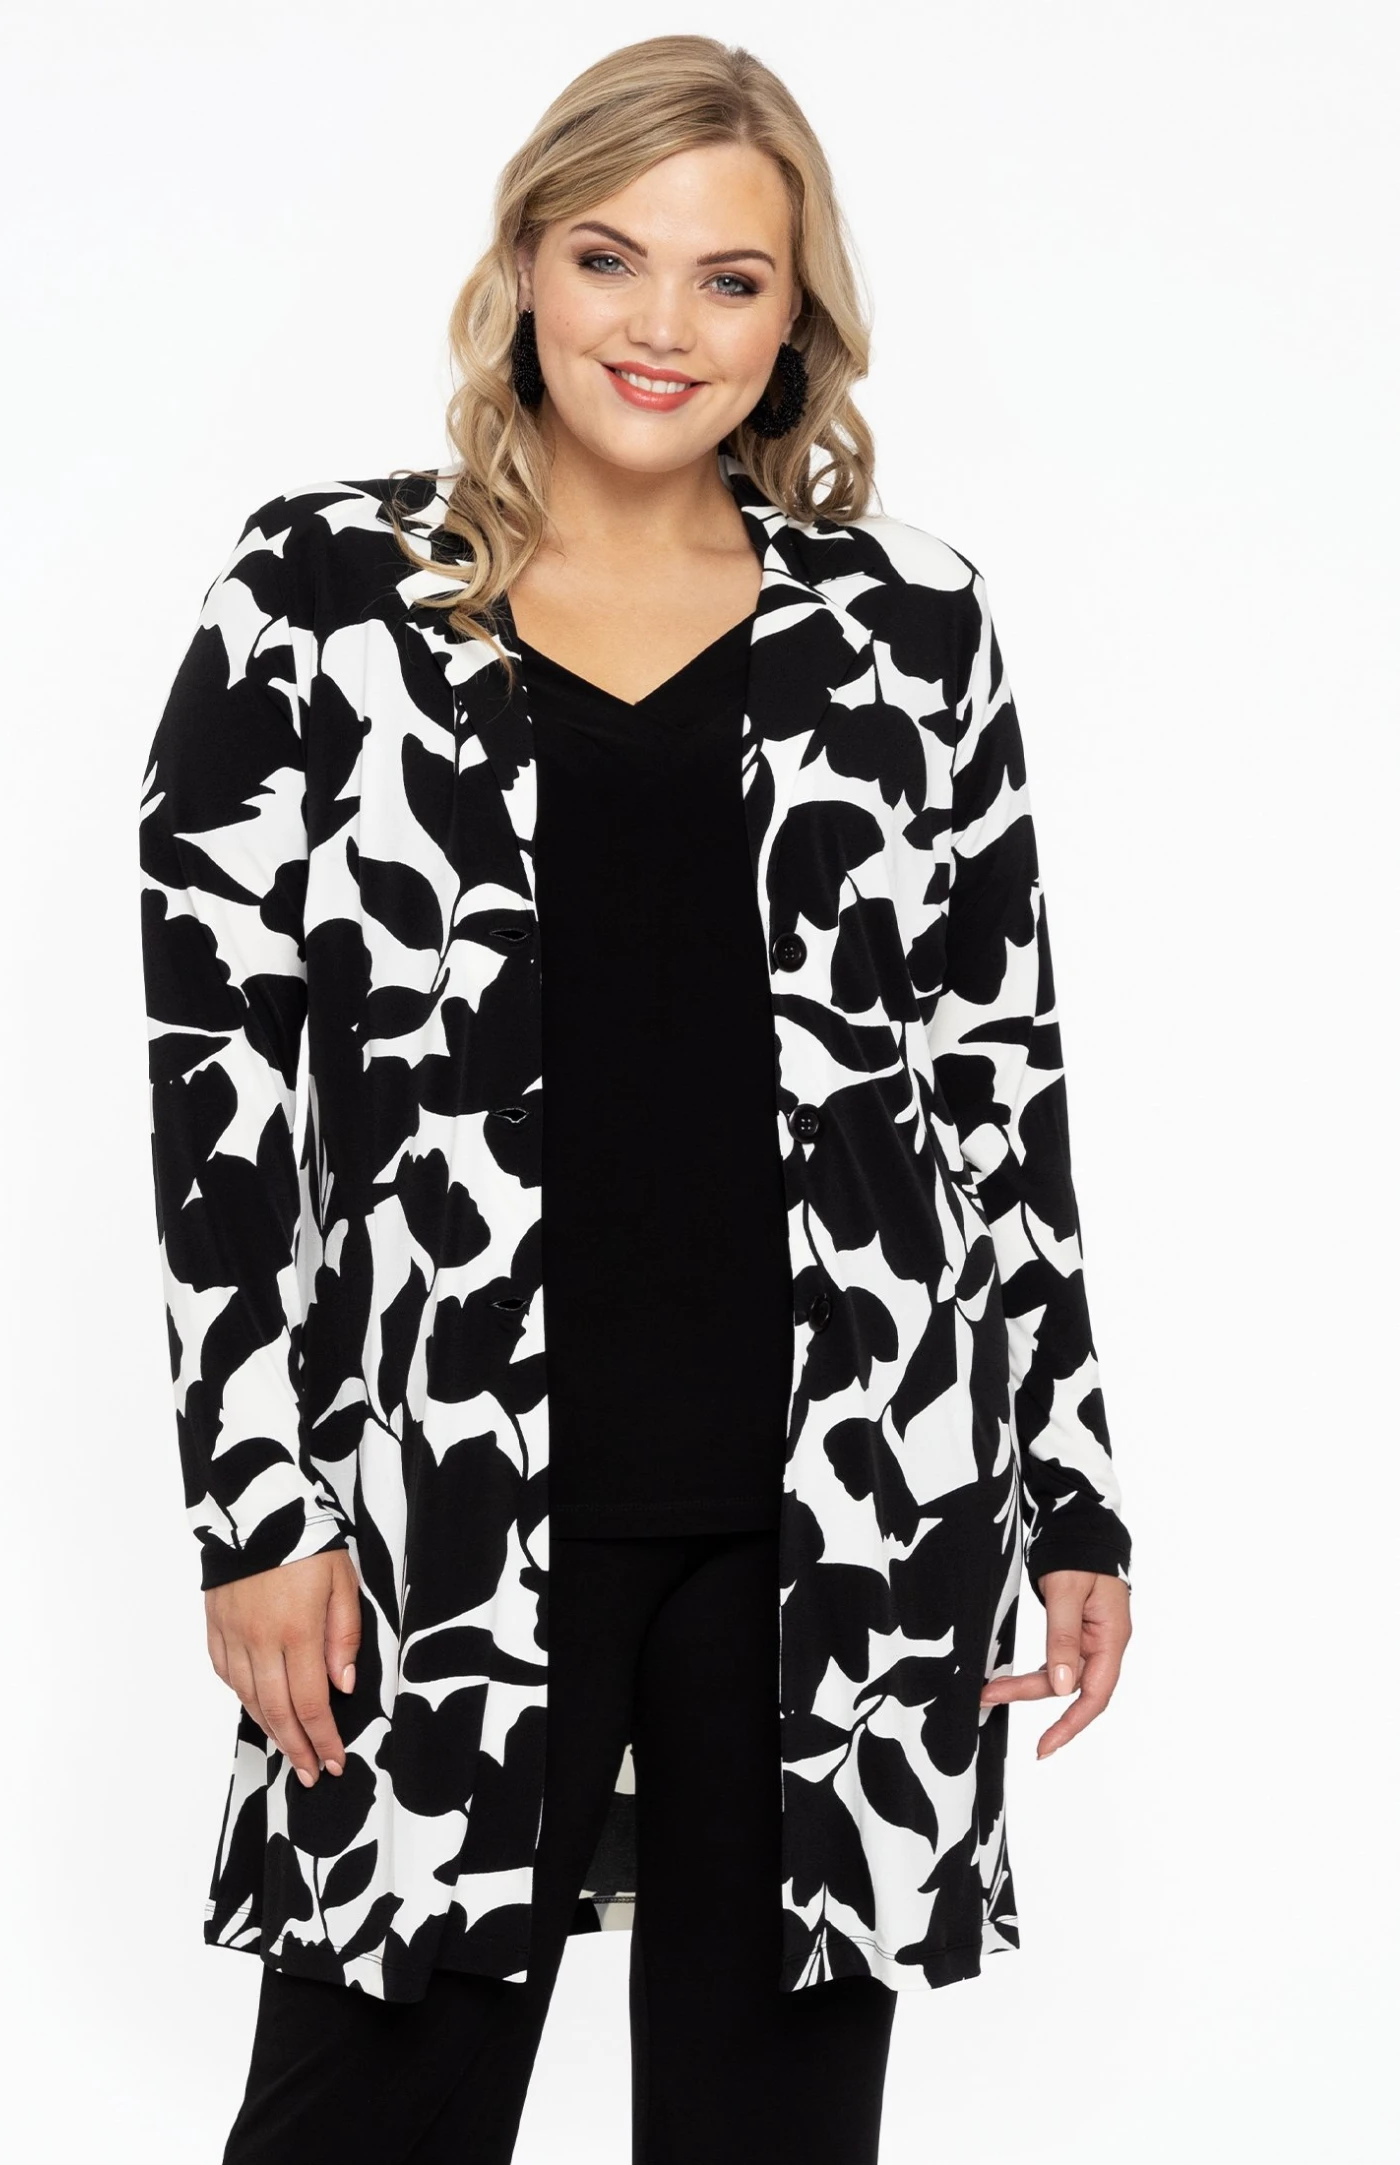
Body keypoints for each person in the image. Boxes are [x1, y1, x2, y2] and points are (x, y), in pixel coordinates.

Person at [138, 32, 1134, 2164]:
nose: (661, 324)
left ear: (794, 320)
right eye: (611, 257)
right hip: (439, 1503)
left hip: (845, 1515)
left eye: (728, 277)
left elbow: (997, 1075)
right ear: (523, 264)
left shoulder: (910, 630)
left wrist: (1069, 1492)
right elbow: (215, 1085)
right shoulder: (319, 602)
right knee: (357, 2120)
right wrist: (257, 1507)